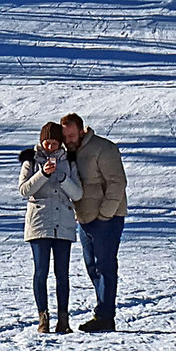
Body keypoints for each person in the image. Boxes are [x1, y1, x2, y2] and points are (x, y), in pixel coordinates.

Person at [61, 113, 128, 332]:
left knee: (105, 266)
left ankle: (105, 316)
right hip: (85, 219)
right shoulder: (69, 153)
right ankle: (102, 312)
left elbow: (117, 182)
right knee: (92, 267)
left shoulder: (103, 149)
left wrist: (106, 214)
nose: (68, 140)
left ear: (82, 131)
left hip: (106, 219)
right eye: (65, 137)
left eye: (71, 135)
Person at [19, 122, 83, 334]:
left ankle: (63, 319)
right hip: (39, 223)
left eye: (54, 143)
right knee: (41, 272)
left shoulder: (69, 161)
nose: (50, 147)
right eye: (47, 143)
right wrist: (43, 174)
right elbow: (24, 189)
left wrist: (64, 178)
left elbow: (78, 194)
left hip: (63, 223)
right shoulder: (31, 160)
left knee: (62, 274)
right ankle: (43, 317)